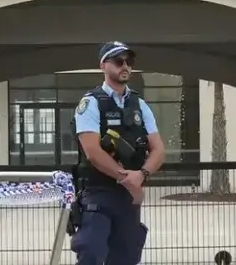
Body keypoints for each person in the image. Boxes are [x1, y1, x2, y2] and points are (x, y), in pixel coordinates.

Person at [69, 41, 166, 265]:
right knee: (91, 253)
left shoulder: (139, 104)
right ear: (103, 65)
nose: (126, 66)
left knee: (126, 258)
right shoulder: (91, 103)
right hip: (97, 193)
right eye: (119, 61)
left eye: (129, 62)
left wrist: (141, 175)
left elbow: (159, 150)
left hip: (127, 198)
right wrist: (126, 178)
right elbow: (92, 151)